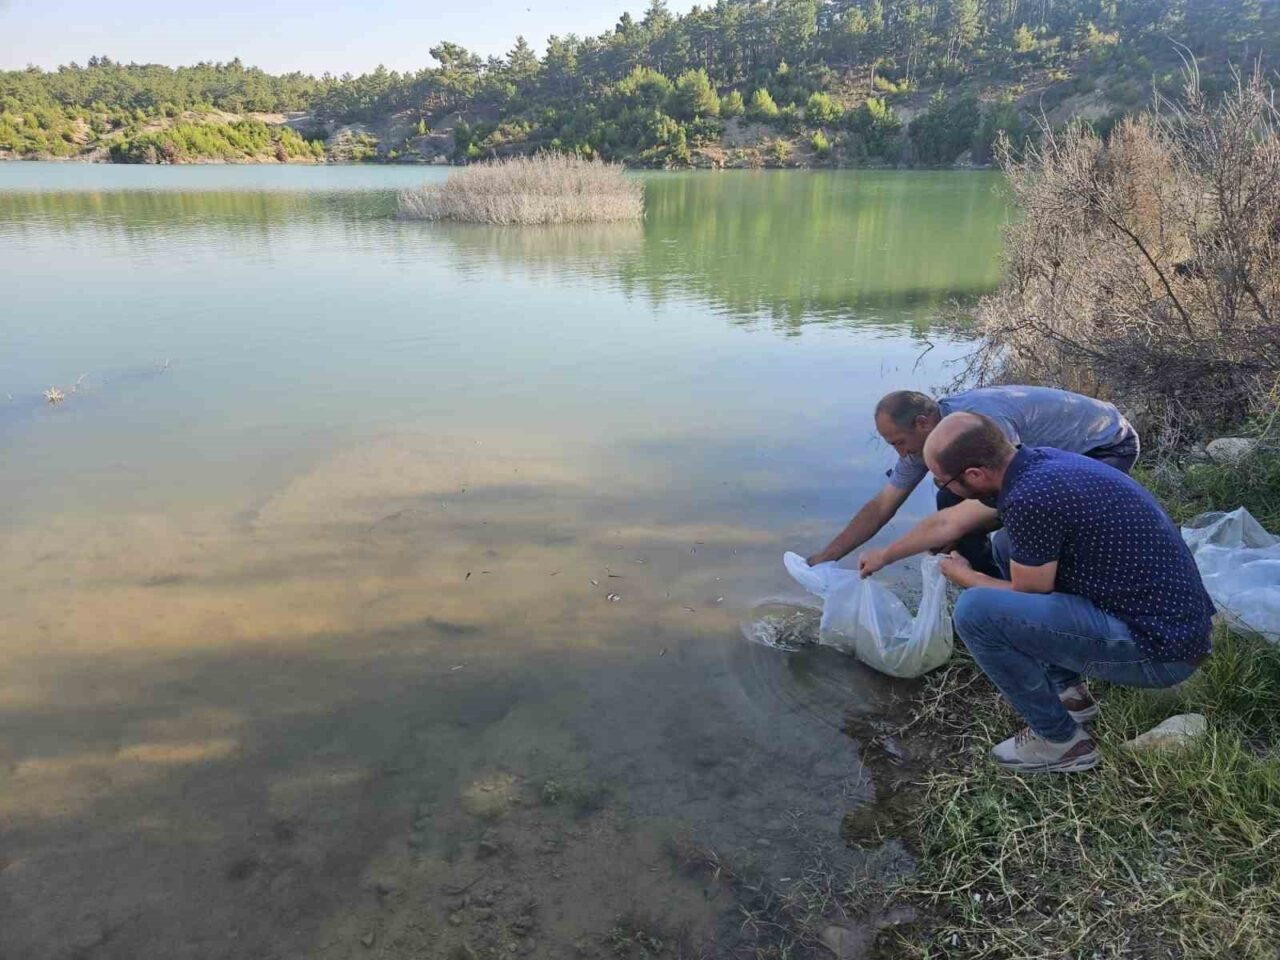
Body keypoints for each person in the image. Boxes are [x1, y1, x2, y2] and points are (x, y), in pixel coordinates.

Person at [859, 412, 1214, 774]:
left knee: (975, 612)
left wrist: (964, 576)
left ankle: (1060, 742)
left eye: (942, 481)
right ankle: (1071, 695)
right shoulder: (1036, 463)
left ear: (975, 475)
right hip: (1175, 628)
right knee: (1007, 545)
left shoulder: (1031, 498)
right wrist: (884, 555)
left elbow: (1026, 595)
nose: (941, 489)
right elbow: (951, 522)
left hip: (1162, 654)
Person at [807, 386, 1140, 575]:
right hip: (1049, 459)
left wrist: (938, 534)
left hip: (1105, 445)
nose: (899, 454)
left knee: (1017, 538)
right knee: (950, 499)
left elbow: (1020, 488)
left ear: (923, 423)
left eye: (897, 442)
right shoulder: (923, 443)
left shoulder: (982, 424)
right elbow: (882, 506)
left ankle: (1024, 602)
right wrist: (827, 557)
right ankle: (987, 582)